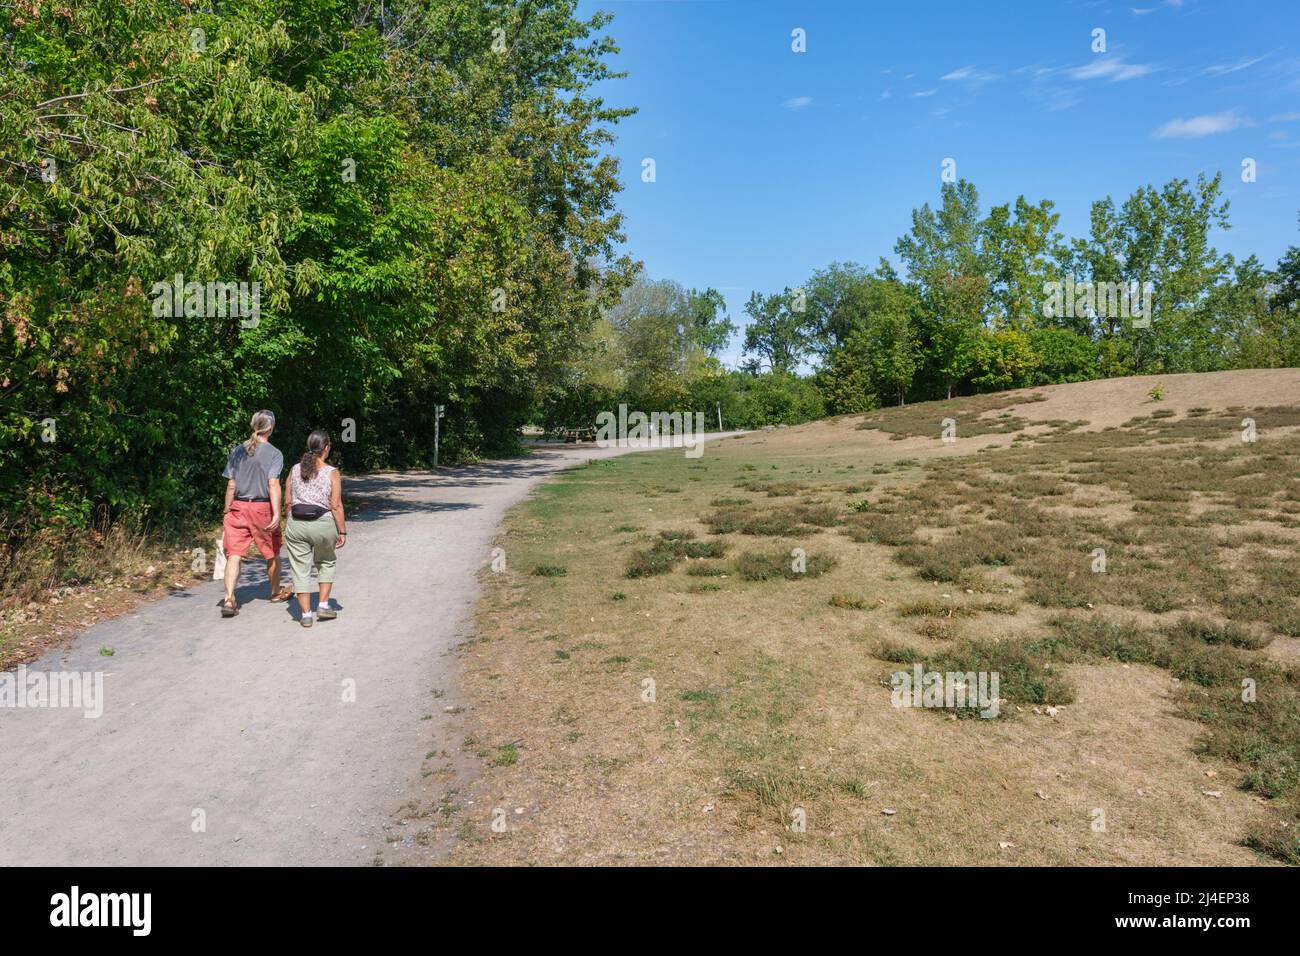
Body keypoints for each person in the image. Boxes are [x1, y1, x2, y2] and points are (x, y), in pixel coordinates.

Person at [220, 409, 291, 616]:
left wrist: (227, 510)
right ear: (270, 428)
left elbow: (231, 485)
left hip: (238, 507)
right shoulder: (275, 453)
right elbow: (273, 484)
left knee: (234, 555)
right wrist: (277, 513)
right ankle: (275, 592)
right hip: (261, 509)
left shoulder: (237, 450)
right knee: (272, 553)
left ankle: (229, 598)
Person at [284, 429, 347, 628]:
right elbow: (335, 505)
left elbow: (287, 501)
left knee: (299, 569)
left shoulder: (294, 470)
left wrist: (289, 523)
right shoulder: (332, 472)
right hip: (323, 524)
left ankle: (305, 615)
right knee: (326, 561)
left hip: (296, 523)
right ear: (326, 447)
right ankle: (323, 605)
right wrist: (342, 531)